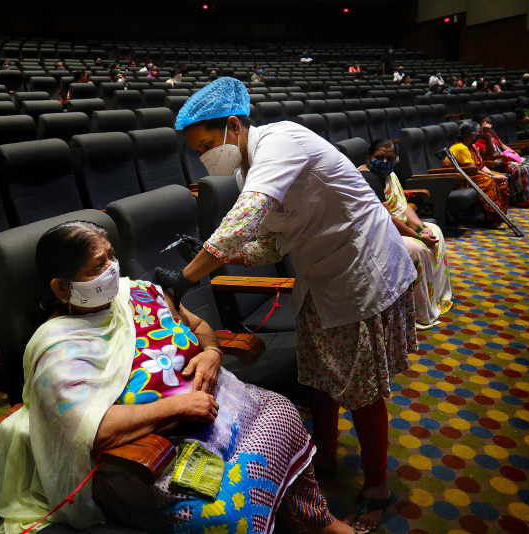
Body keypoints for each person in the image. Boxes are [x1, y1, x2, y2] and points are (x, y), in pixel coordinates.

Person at [155, 78, 417, 533]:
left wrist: (190, 274)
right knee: (318, 372)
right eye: (196, 150)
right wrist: (218, 255)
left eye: (207, 144)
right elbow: (271, 244)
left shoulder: (282, 141)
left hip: (360, 270)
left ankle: (377, 485)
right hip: (320, 277)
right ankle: (327, 456)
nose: (204, 158)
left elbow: (248, 214)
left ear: (234, 126)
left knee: (361, 388)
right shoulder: (244, 168)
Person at [0, 221, 354, 534]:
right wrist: (177, 407)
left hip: (215, 408)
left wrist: (211, 353)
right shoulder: (60, 347)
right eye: (98, 266)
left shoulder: (138, 292)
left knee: (283, 411)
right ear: (61, 288)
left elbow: (197, 325)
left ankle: (313, 520)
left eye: (112, 257)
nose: (113, 270)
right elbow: (92, 431)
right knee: (226, 512)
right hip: (148, 455)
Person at [359, 139, 453, 329]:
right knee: (418, 248)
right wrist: (418, 237)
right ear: (369, 158)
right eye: (379, 157)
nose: (385, 162)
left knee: (434, 231)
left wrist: (420, 228)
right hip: (378, 232)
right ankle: (418, 311)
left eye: (390, 158)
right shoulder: (366, 178)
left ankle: (436, 297)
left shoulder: (390, 176)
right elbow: (386, 218)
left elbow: (402, 208)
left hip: (397, 225)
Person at [444, 121, 511, 228]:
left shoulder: (471, 147)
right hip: (459, 180)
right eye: (478, 133)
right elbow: (472, 170)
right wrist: (492, 177)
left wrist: (493, 174)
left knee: (501, 179)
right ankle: (490, 219)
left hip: (470, 176)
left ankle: (498, 215)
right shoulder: (461, 148)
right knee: (489, 181)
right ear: (473, 135)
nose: (479, 135)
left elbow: (482, 164)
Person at [473, 113, 529, 207]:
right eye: (486, 123)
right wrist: (486, 134)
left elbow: (501, 145)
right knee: (519, 168)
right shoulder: (477, 140)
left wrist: (513, 152)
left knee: (528, 164)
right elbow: (490, 153)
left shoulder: (492, 132)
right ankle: (516, 199)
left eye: (489, 122)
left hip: (504, 157)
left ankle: (526, 196)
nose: (489, 125)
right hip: (493, 161)